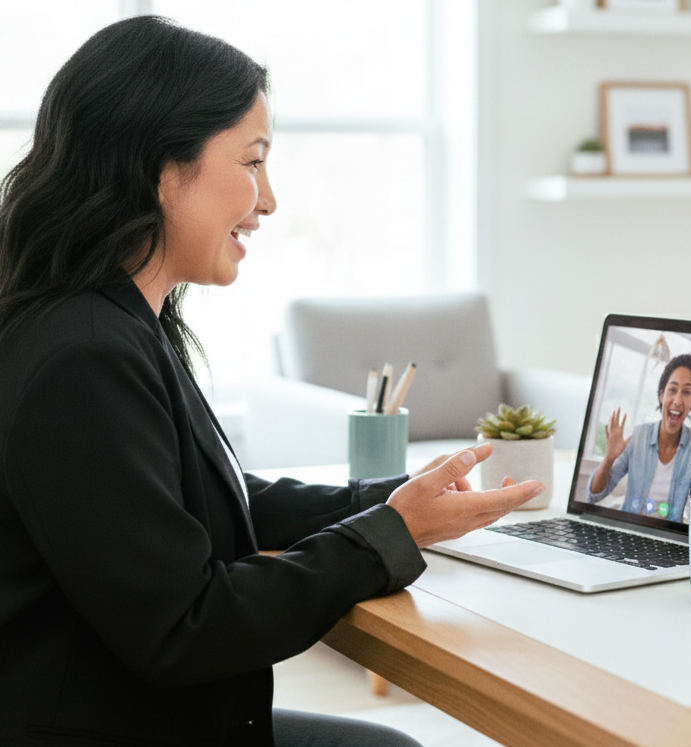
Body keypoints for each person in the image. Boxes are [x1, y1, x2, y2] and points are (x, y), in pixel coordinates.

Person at [0, 16, 545, 747]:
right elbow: (183, 628)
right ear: (161, 170)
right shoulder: (83, 357)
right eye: (252, 163)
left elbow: (202, 498)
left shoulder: (113, 322)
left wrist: (388, 501)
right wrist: (385, 535)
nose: (269, 200)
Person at [587, 353, 691, 523]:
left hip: (668, 537)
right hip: (629, 530)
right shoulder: (640, 435)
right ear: (661, 395)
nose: (678, 401)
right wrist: (609, 459)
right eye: (672, 389)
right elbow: (594, 494)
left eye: (686, 392)